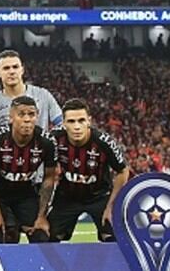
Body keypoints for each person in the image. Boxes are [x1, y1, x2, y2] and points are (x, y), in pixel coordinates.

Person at [48, 99, 129, 242]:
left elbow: (123, 170)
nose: (77, 126)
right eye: (71, 121)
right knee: (48, 236)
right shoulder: (54, 138)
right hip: (67, 197)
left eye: (81, 120)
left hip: (99, 196)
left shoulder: (103, 142)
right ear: (64, 123)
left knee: (113, 236)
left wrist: (111, 206)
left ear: (89, 121)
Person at [0, 96, 58, 243]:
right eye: (21, 114)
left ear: (37, 117)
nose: (27, 119)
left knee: (42, 236)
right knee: (3, 235)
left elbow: (49, 178)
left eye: (31, 114)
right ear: (11, 118)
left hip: (26, 194)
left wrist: (41, 216)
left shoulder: (47, 142)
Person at [0, 49, 62, 134]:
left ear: (22, 70)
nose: (11, 71)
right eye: (6, 68)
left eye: (15, 67)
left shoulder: (43, 95)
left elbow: (61, 124)